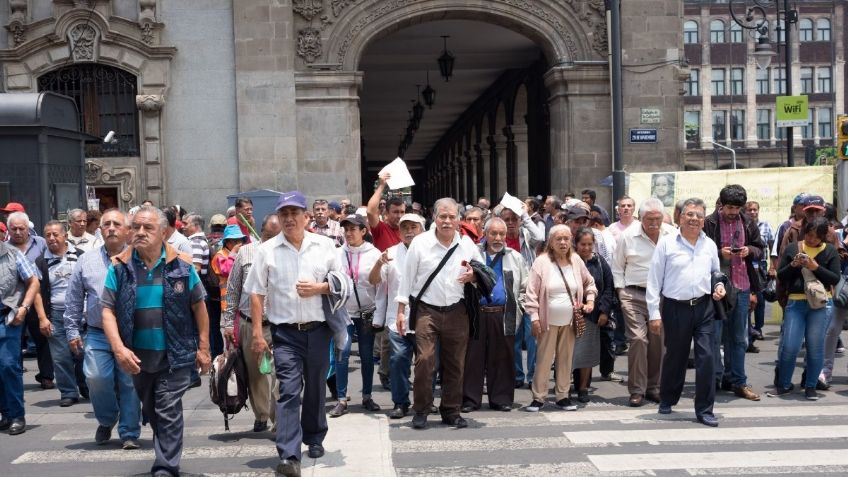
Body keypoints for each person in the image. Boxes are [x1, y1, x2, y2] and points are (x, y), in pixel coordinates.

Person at [101, 206, 211, 477]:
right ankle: (165, 454)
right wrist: (119, 348)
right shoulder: (120, 267)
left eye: (147, 228)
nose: (140, 232)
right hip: (138, 358)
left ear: (163, 232)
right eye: (136, 227)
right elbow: (107, 310)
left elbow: (199, 307)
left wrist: (204, 347)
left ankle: (165, 467)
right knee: (151, 408)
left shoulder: (182, 266)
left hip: (174, 356)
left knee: (167, 407)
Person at [244, 191, 343, 477]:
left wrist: (319, 288)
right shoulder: (267, 250)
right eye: (284, 214)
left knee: (315, 387)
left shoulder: (325, 246)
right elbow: (257, 293)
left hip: (319, 330)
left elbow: (340, 282)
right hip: (285, 334)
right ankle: (288, 454)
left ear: (306, 217)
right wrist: (258, 335)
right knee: (287, 390)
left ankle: (314, 436)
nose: (289, 219)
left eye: (294, 213)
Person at [396, 197, 483, 430]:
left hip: (457, 310)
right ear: (434, 217)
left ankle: (451, 410)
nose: (447, 221)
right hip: (426, 310)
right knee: (424, 360)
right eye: (442, 216)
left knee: (455, 363)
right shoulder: (420, 243)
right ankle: (421, 409)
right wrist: (401, 311)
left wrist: (473, 275)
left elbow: (482, 271)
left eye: (451, 217)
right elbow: (407, 278)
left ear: (458, 220)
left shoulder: (466, 244)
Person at [65, 209, 141, 448]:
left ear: (127, 231)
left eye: (116, 224)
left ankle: (129, 433)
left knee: (129, 382)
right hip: (97, 332)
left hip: (130, 333)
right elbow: (74, 299)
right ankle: (108, 419)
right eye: (106, 224)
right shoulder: (86, 261)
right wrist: (72, 330)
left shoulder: (138, 259)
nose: (110, 228)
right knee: (96, 378)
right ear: (99, 230)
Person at [647, 198, 725, 427]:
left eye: (699, 216)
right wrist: (654, 313)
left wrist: (719, 287)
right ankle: (668, 399)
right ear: (680, 217)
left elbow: (716, 274)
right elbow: (654, 281)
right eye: (690, 215)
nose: (694, 219)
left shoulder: (709, 244)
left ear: (704, 220)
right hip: (675, 308)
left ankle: (705, 409)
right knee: (676, 357)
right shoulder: (667, 244)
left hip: (704, 308)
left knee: (707, 358)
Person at [523, 225, 596, 412]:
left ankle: (563, 396)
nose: (563, 242)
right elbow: (531, 293)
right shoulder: (541, 262)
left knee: (566, 359)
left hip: (570, 320)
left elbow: (590, 283)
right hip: (547, 320)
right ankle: (538, 397)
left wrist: (590, 301)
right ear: (551, 242)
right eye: (558, 239)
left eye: (566, 238)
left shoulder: (576, 260)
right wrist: (534, 318)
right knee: (544, 359)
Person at [222, 213, 282, 433]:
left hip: (277, 324)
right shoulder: (246, 252)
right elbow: (233, 289)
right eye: (267, 235)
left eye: (276, 236)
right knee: (257, 373)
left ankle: (279, 419)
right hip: (249, 323)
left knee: (278, 374)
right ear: (260, 232)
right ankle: (261, 414)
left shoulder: (286, 253)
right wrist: (228, 323)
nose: (270, 241)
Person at [703, 185, 764, 401]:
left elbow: (760, 248)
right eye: (729, 207)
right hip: (716, 287)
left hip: (742, 285)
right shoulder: (709, 223)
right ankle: (714, 379)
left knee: (738, 338)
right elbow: (700, 251)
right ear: (721, 204)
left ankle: (738, 381)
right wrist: (719, 253)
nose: (733, 212)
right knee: (714, 336)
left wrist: (749, 251)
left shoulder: (748, 222)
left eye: (737, 208)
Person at [611, 198, 674, 407]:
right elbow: (617, 267)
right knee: (638, 339)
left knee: (658, 342)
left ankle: (653, 387)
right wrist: (621, 292)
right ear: (640, 218)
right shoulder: (628, 236)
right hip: (633, 294)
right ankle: (636, 390)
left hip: (662, 296)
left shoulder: (672, 234)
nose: (654, 223)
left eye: (658, 219)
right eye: (649, 219)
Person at [462, 217, 528, 412]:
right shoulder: (474, 254)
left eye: (501, 234)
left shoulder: (515, 257)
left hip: (503, 313)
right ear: (485, 233)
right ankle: (470, 400)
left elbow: (525, 287)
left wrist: (520, 308)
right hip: (477, 313)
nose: (498, 238)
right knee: (473, 358)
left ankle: (501, 399)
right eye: (493, 233)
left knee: (502, 358)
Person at [774, 217, 842, 400]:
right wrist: (793, 265)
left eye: (816, 236)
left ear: (823, 236)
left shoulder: (830, 251)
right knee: (790, 346)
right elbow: (781, 275)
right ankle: (784, 384)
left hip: (820, 304)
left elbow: (834, 279)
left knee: (815, 347)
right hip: (796, 302)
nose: (811, 239)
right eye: (809, 235)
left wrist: (815, 267)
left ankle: (811, 386)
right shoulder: (793, 248)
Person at [371, 213, 426, 418]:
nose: (409, 231)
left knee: (427, 364)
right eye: (405, 228)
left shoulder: (431, 252)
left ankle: (424, 401)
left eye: (414, 227)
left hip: (426, 318)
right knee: (399, 361)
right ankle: (400, 402)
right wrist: (378, 263)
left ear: (422, 229)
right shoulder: (391, 253)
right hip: (397, 320)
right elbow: (374, 280)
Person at [328, 214, 382, 417]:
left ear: (363, 231)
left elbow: (380, 283)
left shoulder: (374, 253)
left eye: (353, 229)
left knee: (367, 356)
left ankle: (367, 396)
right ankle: (341, 400)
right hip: (344, 312)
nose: (349, 233)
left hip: (367, 311)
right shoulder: (337, 254)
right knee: (342, 354)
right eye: (346, 229)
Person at [36, 221, 87, 406]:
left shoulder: (81, 256)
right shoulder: (41, 261)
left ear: (65, 235)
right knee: (60, 356)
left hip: (79, 314)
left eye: (55, 234)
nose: (51, 238)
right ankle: (68, 392)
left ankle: (85, 385)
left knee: (83, 353)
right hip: (55, 314)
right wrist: (43, 318)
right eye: (47, 235)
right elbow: (37, 292)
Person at [0, 223, 40, 435]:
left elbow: (34, 282)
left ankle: (17, 415)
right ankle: (5, 414)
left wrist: (24, 307)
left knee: (8, 365)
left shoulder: (14, 255)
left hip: (7, 317)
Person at [7, 211, 53, 390]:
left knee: (42, 337)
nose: (18, 232)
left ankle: (47, 376)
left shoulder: (41, 243)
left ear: (28, 229)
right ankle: (15, 375)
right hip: (14, 302)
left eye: (21, 228)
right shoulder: (5, 248)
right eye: (14, 229)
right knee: (14, 341)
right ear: (9, 230)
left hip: (38, 298)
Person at [572, 227, 616, 402]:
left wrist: (604, 311)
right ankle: (563, 387)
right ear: (576, 244)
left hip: (592, 314)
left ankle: (583, 388)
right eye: (583, 244)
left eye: (590, 244)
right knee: (568, 352)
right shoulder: (569, 261)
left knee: (586, 353)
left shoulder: (599, 262)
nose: (586, 247)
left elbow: (608, 288)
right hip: (569, 313)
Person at [745, 200, 773, 346]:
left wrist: (773, 267)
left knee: (760, 300)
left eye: (755, 210)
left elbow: (771, 245)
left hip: (761, 267)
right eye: (749, 210)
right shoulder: (743, 225)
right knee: (747, 301)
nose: (752, 212)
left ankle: (758, 328)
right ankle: (747, 330)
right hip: (746, 266)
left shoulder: (766, 225)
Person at [211, 224, 247, 314]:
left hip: (241, 301)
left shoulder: (241, 254)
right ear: (227, 243)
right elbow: (227, 271)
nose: (239, 244)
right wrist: (233, 253)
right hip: (228, 303)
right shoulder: (220, 255)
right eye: (235, 241)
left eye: (240, 241)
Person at [367, 174, 406, 252]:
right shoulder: (381, 229)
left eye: (402, 212)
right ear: (386, 214)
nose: (399, 216)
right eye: (395, 212)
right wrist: (381, 186)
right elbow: (370, 212)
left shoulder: (409, 231)